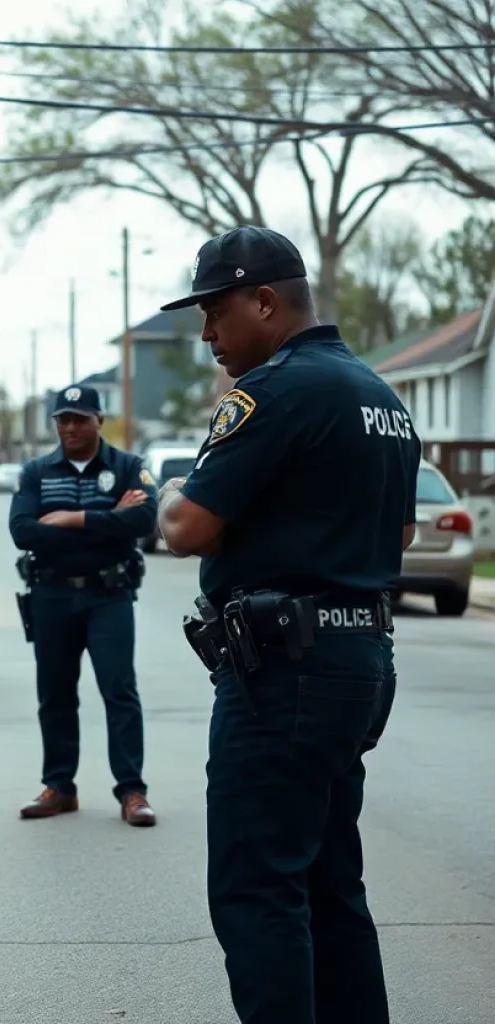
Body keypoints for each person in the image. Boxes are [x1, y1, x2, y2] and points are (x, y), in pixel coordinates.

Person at [156, 225, 420, 1024]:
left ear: (264, 301)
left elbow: (187, 527)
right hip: (357, 663)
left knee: (257, 889)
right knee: (330, 883)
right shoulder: (380, 395)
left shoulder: (275, 391)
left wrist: (170, 492)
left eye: (213, 312)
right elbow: (398, 535)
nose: (206, 335)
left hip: (285, 672)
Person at [9, 385, 158, 827]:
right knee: (54, 694)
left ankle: (132, 791)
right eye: (63, 419)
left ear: (99, 420)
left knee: (119, 691)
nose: (70, 427)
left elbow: (146, 519)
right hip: (51, 596)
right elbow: (23, 531)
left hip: (108, 596)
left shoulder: (128, 467)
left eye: (79, 418)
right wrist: (111, 522)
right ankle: (60, 787)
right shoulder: (37, 472)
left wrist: (75, 519)